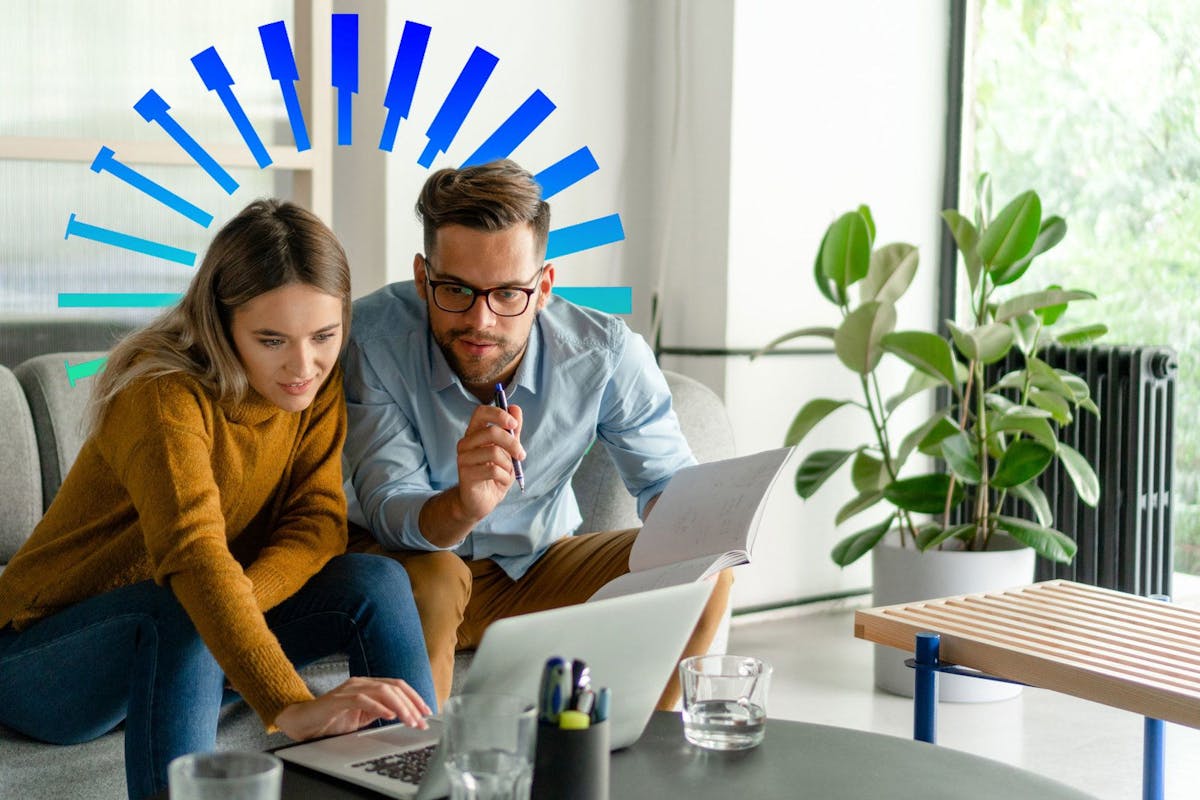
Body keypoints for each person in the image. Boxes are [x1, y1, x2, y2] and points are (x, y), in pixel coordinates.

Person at [0, 199, 435, 800]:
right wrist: (289, 702)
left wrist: (235, 613)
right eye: (271, 339)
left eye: (324, 336)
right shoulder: (162, 393)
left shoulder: (314, 384)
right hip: (44, 659)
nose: (303, 365)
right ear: (220, 324)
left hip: (189, 640)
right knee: (186, 603)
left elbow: (317, 522)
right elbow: (195, 556)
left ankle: (421, 782)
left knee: (375, 580)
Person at [342, 159, 732, 708]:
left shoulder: (604, 353)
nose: (481, 321)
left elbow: (668, 484)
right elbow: (390, 508)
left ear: (544, 286)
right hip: (410, 565)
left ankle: (650, 748)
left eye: (508, 294)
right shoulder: (371, 339)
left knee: (706, 570)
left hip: (536, 567)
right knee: (435, 580)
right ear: (423, 279)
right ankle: (416, 757)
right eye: (456, 290)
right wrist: (464, 504)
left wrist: (698, 521)